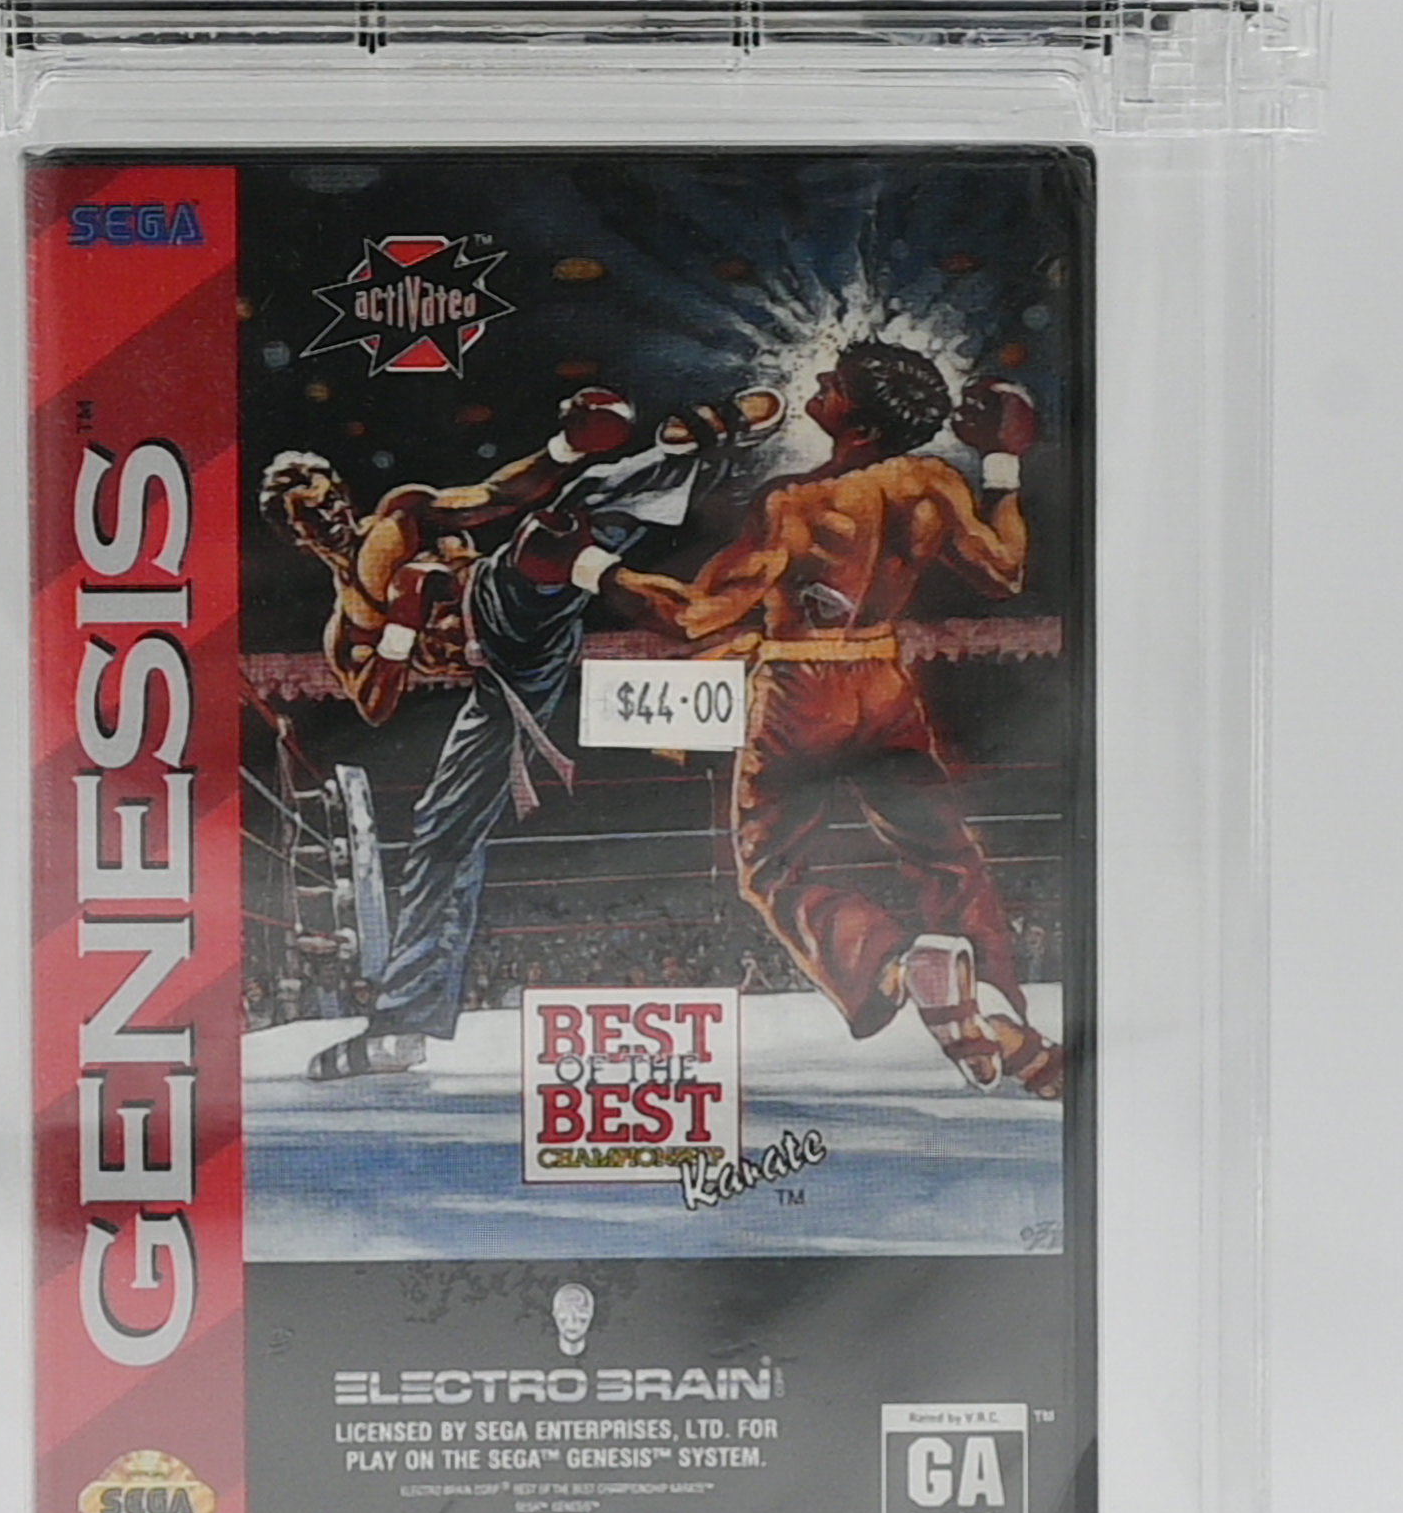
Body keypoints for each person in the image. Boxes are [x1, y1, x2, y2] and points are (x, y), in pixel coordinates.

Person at [525, 341, 1062, 1097]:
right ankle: (1004, 1020)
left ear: (860, 424)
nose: (817, 382)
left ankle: (897, 964)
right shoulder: (935, 484)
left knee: (772, 865)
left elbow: (693, 615)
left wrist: (585, 565)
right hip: (884, 680)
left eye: (834, 384)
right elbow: (1004, 572)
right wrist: (1002, 464)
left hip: (801, 690)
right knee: (946, 854)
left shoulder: (794, 504)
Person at [261, 384, 786, 1080]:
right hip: (504, 686)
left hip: (507, 606)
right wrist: (402, 629)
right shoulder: (344, 627)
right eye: (312, 512)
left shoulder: (401, 518)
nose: (330, 514)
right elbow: (375, 705)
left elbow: (496, 496)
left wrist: (565, 446)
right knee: (441, 832)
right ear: (294, 532)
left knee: (554, 524)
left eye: (331, 499)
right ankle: (402, 1029)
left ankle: (693, 445)